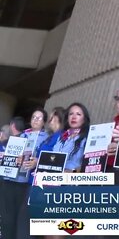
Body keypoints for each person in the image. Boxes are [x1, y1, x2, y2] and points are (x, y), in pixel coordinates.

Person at [0, 109, 49, 239]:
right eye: (33, 117)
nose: (35, 120)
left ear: (44, 122)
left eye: (39, 118)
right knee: (6, 216)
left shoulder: (46, 139)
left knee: (20, 218)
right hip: (10, 178)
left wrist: (35, 161)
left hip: (27, 182)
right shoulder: (21, 136)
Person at [51, 102, 90, 172]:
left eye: (78, 114)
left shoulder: (87, 138)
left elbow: (89, 164)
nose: (74, 117)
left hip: (72, 181)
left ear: (84, 119)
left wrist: (73, 172)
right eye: (71, 114)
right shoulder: (61, 137)